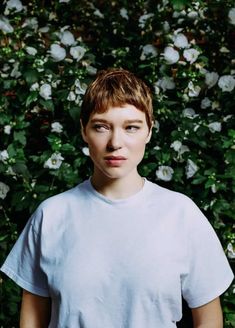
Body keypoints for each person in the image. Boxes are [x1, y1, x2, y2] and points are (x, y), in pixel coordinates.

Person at [1, 68, 234, 328]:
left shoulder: (181, 214)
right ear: (84, 130)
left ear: (149, 131)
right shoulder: (51, 215)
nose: (115, 142)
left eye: (131, 127)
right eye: (101, 127)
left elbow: (209, 319)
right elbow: (31, 318)